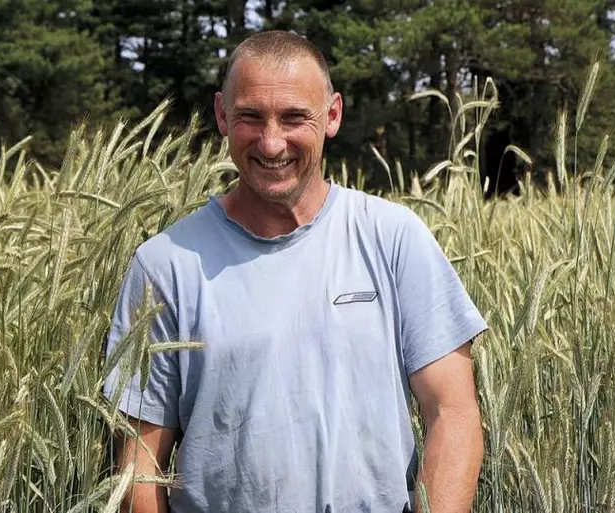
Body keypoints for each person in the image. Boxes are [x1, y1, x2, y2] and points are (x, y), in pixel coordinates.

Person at [102, 30, 488, 513]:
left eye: (293, 118)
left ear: (332, 116)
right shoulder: (164, 265)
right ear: (222, 114)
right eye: (250, 117)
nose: (271, 142)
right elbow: (140, 463)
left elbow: (452, 412)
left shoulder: (393, 238)